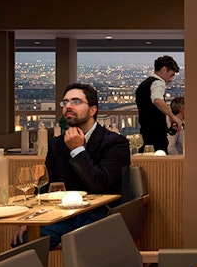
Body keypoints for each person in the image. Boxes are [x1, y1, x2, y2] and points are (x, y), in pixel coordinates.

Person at [31, 82, 132, 249]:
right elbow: (44, 186)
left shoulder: (115, 143)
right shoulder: (56, 144)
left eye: (76, 101)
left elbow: (100, 184)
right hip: (62, 215)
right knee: (24, 238)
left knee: (84, 238)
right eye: (65, 102)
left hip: (100, 214)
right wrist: (31, 220)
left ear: (92, 110)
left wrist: (78, 150)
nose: (68, 106)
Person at [135, 55, 181, 153]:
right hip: (156, 134)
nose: (171, 79)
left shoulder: (144, 84)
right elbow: (157, 100)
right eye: (171, 75)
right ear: (163, 70)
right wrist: (173, 117)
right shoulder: (158, 83)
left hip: (145, 132)